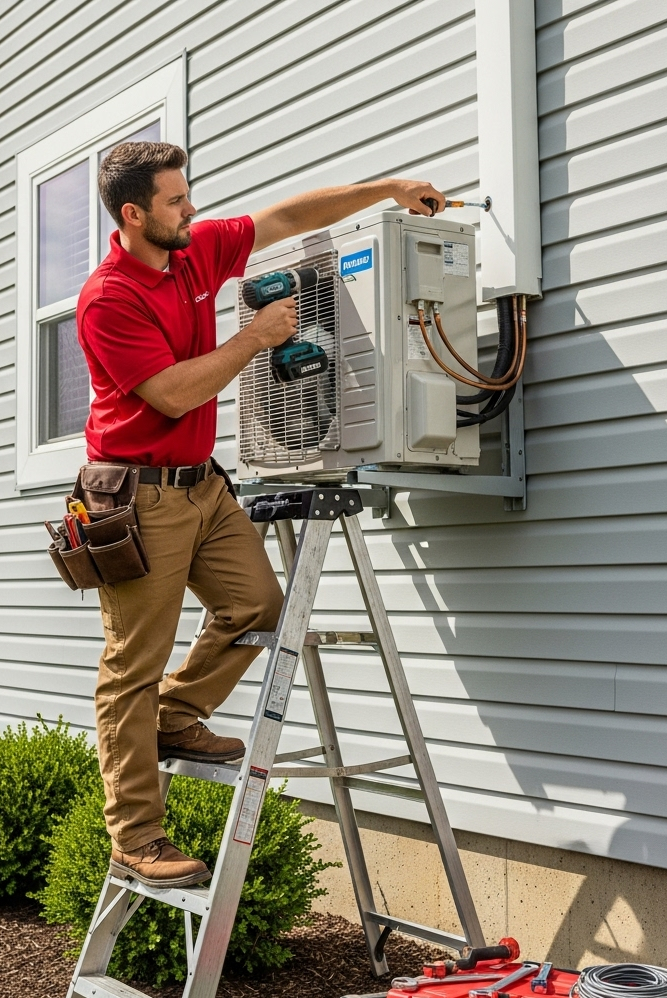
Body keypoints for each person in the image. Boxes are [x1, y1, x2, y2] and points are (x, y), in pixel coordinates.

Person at [77, 140, 446, 889]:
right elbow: (174, 394)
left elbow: (284, 216)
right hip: (135, 498)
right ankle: (137, 836)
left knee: (258, 606)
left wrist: (388, 188)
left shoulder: (193, 255)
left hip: (203, 487)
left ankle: (176, 716)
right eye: (177, 202)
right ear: (134, 214)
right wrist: (254, 337)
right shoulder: (108, 297)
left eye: (189, 196)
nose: (192, 210)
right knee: (131, 667)